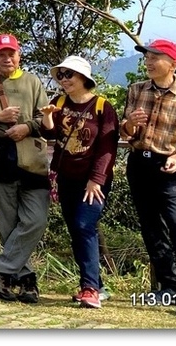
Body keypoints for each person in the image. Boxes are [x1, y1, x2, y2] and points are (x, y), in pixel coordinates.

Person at [121, 39, 176, 317]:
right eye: (146, 56)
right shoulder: (135, 90)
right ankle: (167, 288)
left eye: (154, 57)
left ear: (172, 63)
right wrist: (131, 124)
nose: (147, 61)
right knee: (151, 227)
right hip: (139, 165)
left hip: (171, 166)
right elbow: (126, 132)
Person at [0, 34, 48, 303]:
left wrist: (27, 127)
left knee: (36, 220)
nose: (7, 59)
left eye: (11, 53)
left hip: (32, 162)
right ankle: (25, 280)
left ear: (19, 55)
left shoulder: (33, 82)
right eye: (1, 54)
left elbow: (46, 119)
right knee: (7, 225)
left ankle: (0, 268)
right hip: (0, 162)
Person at [39, 55, 118, 309]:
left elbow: (107, 147)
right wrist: (49, 117)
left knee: (84, 225)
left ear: (83, 77)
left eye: (68, 75)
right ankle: (96, 284)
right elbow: (48, 133)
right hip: (66, 177)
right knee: (77, 229)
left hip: (93, 180)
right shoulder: (59, 102)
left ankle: (90, 289)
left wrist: (96, 180)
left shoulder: (102, 107)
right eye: (60, 75)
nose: (64, 80)